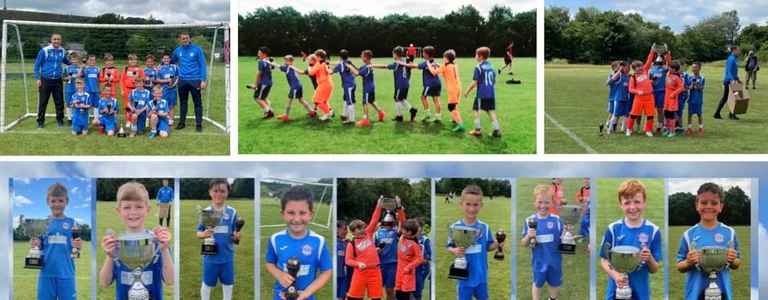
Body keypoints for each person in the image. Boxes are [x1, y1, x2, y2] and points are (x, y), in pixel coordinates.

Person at [99, 182, 174, 300]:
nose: (133, 212)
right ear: (119, 211)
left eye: (139, 206)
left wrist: (164, 249)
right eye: (127, 207)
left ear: (147, 209)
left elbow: (170, 280)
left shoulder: (156, 241)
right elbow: (104, 283)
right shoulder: (117, 244)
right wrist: (109, 255)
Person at [675, 182, 741, 300]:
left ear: (721, 206)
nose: (709, 206)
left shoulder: (730, 233)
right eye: (704, 202)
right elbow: (680, 266)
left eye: (714, 203)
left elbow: (737, 263)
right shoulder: (688, 235)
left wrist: (732, 259)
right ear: (697, 205)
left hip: (722, 292)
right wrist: (689, 262)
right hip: (695, 294)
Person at [266, 186, 332, 300]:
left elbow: (327, 271)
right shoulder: (275, 239)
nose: (296, 219)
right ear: (283, 214)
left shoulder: (319, 241)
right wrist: (279, 274)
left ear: (311, 214)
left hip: (307, 297)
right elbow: (269, 263)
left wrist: (307, 292)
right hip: (280, 296)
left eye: (302, 213)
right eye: (291, 213)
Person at [599, 180, 661, 300]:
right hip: (616, 291)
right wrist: (616, 275)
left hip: (641, 293)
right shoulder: (613, 229)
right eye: (627, 203)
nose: (632, 207)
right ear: (620, 204)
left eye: (637, 202)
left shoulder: (653, 231)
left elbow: (654, 269)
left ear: (644, 203)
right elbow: (604, 260)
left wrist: (649, 258)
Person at [447, 185, 499, 300]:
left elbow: (488, 247)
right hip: (464, 277)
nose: (472, 208)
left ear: (481, 206)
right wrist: (454, 250)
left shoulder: (484, 227)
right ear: (461, 204)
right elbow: (449, 246)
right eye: (468, 204)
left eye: (475, 205)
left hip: (481, 277)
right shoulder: (455, 227)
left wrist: (497, 243)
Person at [33, 183, 82, 300]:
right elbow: (37, 248)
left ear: (67, 201)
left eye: (60, 201)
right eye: (53, 201)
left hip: (66, 274)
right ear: (48, 201)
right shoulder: (42, 224)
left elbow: (76, 253)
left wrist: (78, 247)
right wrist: (35, 244)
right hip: (46, 274)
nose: (57, 204)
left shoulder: (72, 223)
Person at [197, 179, 243, 300]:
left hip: (227, 257)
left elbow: (235, 234)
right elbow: (198, 233)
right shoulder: (206, 212)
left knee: (228, 284)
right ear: (210, 192)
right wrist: (204, 234)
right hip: (210, 257)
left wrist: (237, 235)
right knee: (207, 284)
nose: (219, 194)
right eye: (215, 191)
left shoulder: (232, 212)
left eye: (222, 191)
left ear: (227, 192)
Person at [520, 185, 562, 300]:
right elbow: (523, 243)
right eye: (540, 202)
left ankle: (552, 298)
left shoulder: (557, 220)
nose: (543, 206)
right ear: (534, 203)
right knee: (537, 283)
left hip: (555, 261)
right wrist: (529, 236)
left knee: (555, 283)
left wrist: (569, 236)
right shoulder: (529, 220)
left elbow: (563, 238)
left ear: (552, 203)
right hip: (538, 261)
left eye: (547, 202)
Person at [345, 197, 390, 300]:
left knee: (376, 297)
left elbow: (374, 219)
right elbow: (348, 261)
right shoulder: (351, 244)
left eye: (363, 227)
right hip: (360, 273)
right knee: (354, 297)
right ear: (353, 232)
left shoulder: (368, 233)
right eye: (359, 228)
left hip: (375, 271)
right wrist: (358, 264)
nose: (363, 230)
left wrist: (379, 205)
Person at [172, 32, 208, 132]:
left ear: (189, 39)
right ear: (180, 40)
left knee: (197, 103)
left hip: (195, 80)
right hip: (182, 81)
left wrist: (203, 80)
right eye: (183, 38)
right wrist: (162, 64)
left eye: (186, 38)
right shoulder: (177, 50)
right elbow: (171, 60)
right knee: (183, 103)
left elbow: (203, 65)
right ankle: (182, 123)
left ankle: (199, 124)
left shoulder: (197, 49)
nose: (185, 40)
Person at [34, 33, 70, 128]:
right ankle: (40, 121)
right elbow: (37, 65)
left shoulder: (62, 51)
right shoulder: (44, 51)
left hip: (58, 80)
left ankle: (60, 120)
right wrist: (37, 78)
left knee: (59, 102)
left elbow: (66, 61)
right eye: (54, 39)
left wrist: (76, 62)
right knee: (43, 102)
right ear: (51, 40)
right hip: (45, 80)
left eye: (58, 39)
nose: (56, 41)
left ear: (61, 41)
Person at [372, 46, 418, 122]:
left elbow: (385, 66)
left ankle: (400, 116)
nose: (392, 55)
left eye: (393, 54)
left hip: (400, 84)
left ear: (396, 54)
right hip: (405, 83)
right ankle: (412, 110)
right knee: (400, 98)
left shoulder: (397, 63)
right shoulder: (406, 61)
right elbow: (411, 67)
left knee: (397, 99)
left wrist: (373, 65)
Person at [464, 47, 500, 138]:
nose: (475, 56)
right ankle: (497, 130)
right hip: (491, 93)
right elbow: (493, 81)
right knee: (490, 110)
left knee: (476, 109)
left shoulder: (478, 67)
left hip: (482, 94)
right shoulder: (491, 66)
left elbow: (475, 82)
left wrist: (467, 91)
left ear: (480, 56)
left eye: (476, 55)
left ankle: (477, 130)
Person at [625, 47, 662, 136]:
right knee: (634, 114)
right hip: (639, 98)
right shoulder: (633, 77)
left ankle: (648, 130)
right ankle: (629, 129)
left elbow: (649, 61)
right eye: (638, 67)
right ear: (634, 69)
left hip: (649, 97)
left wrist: (652, 51)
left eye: (641, 66)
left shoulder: (645, 71)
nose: (640, 68)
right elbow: (630, 89)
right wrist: (638, 92)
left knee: (650, 115)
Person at [375, 197, 406, 300]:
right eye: (386, 223)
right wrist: (376, 250)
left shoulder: (396, 232)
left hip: (393, 264)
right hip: (380, 264)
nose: (387, 225)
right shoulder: (378, 233)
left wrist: (399, 206)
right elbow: (373, 248)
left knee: (390, 290)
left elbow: (403, 222)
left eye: (390, 223)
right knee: (377, 290)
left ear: (393, 223)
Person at [402, 46, 443, 123]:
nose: (422, 54)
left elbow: (414, 66)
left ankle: (427, 114)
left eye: (424, 53)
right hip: (437, 83)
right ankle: (438, 117)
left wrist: (404, 63)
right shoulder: (435, 62)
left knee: (423, 97)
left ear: (427, 54)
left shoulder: (426, 63)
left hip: (430, 84)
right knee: (436, 99)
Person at [346, 50, 386, 127]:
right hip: (371, 86)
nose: (361, 56)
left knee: (365, 103)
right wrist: (352, 65)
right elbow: (358, 70)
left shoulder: (366, 67)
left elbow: (357, 73)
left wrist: (349, 66)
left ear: (366, 57)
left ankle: (366, 120)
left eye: (362, 55)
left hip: (367, 88)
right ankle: (381, 113)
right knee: (371, 101)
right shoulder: (367, 65)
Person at [269, 55, 313, 121]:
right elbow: (278, 67)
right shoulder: (291, 67)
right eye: (285, 60)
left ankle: (286, 116)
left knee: (289, 101)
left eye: (286, 61)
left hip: (295, 87)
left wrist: (268, 62)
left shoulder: (288, 67)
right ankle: (311, 112)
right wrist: (273, 63)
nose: (285, 62)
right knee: (301, 100)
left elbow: (278, 66)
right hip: (298, 86)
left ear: (291, 61)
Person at [394, 218, 424, 300]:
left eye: (404, 230)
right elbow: (402, 219)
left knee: (405, 296)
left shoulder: (414, 245)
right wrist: (399, 208)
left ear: (410, 232)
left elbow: (420, 259)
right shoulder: (402, 238)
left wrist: (408, 267)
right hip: (399, 273)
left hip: (407, 275)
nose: (402, 231)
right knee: (398, 295)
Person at [439, 49, 464, 131]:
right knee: (455, 105)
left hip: (453, 89)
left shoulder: (446, 66)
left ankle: (460, 125)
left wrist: (429, 65)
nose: (443, 59)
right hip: (458, 87)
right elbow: (444, 74)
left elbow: (435, 72)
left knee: (451, 107)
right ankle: (454, 119)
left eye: (444, 57)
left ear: (447, 58)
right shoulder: (454, 65)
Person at [713, 46, 741, 120]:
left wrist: (738, 79)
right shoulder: (731, 59)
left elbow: (733, 71)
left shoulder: (734, 59)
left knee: (732, 97)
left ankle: (722, 114)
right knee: (734, 97)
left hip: (732, 80)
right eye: (738, 50)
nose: (739, 52)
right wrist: (732, 80)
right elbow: (728, 71)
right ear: (734, 50)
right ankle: (730, 114)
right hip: (730, 81)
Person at [332, 49, 359, 124]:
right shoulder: (349, 62)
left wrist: (325, 67)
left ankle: (351, 119)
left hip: (348, 86)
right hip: (352, 84)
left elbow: (331, 72)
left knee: (349, 101)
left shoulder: (340, 65)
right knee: (347, 99)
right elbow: (356, 71)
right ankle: (344, 114)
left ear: (340, 57)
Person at [308, 49, 335, 121]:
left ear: (319, 56)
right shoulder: (324, 63)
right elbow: (329, 71)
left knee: (317, 100)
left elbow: (311, 73)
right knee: (324, 101)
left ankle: (327, 114)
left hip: (324, 84)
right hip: (328, 84)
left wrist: (310, 66)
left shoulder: (319, 64)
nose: (315, 58)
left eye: (315, 56)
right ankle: (329, 113)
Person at [662, 62, 685, 137]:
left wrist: (674, 94)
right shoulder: (668, 74)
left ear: (675, 70)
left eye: (672, 68)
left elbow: (681, 88)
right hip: (666, 98)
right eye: (670, 67)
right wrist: (667, 54)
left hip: (672, 99)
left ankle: (672, 131)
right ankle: (668, 130)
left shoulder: (677, 78)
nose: (670, 69)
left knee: (671, 115)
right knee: (666, 114)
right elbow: (668, 61)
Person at [253, 46, 275, 119]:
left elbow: (259, 74)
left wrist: (255, 85)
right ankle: (270, 110)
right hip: (269, 82)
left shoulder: (261, 62)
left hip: (264, 83)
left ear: (264, 54)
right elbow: (272, 68)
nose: (258, 54)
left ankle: (268, 111)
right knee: (263, 98)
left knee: (257, 97)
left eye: (259, 53)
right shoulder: (268, 61)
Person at [157, 53, 179, 124]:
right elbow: (157, 79)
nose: (166, 60)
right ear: (162, 60)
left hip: (172, 89)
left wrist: (174, 84)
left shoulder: (174, 67)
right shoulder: (159, 68)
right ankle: (164, 118)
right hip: (163, 89)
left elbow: (177, 77)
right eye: (164, 58)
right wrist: (166, 81)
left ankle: (171, 120)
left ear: (170, 59)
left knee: (171, 105)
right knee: (163, 104)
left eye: (167, 58)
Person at [413, 218, 432, 300]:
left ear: (421, 228)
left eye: (418, 227)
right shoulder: (409, 238)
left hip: (421, 270)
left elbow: (429, 256)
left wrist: (423, 260)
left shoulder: (425, 240)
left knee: (417, 291)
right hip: (411, 269)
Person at [686, 62, 705, 135]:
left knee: (699, 114)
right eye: (693, 67)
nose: (694, 69)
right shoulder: (689, 77)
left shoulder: (702, 78)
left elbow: (701, 88)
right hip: (691, 99)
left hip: (698, 99)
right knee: (690, 114)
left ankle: (701, 127)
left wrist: (697, 85)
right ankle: (689, 128)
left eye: (695, 67)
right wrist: (691, 86)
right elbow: (687, 87)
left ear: (699, 68)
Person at [63, 52, 82, 123]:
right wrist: (67, 78)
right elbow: (63, 78)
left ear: (78, 60)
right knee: (68, 103)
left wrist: (78, 74)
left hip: (77, 89)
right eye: (72, 60)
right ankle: (69, 118)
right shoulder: (66, 68)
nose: (74, 61)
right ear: (70, 60)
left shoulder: (80, 68)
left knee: (77, 103)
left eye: (75, 59)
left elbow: (82, 76)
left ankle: (76, 117)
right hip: (68, 89)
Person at [81, 54, 101, 122]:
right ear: (87, 61)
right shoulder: (85, 69)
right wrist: (82, 68)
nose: (92, 61)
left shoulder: (98, 69)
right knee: (87, 104)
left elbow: (99, 80)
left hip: (96, 90)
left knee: (96, 105)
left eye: (94, 60)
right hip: (88, 90)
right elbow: (80, 76)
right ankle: (86, 119)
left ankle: (96, 119)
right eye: (90, 60)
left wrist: (99, 89)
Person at [337, 220, 353, 300]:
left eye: (347, 229)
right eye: (344, 229)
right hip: (336, 277)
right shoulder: (334, 244)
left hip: (344, 277)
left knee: (342, 297)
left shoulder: (347, 244)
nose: (346, 232)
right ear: (337, 229)